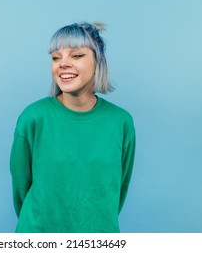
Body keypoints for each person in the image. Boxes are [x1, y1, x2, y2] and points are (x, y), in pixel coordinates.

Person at [10, 22, 136, 233]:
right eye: (56, 57)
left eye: (76, 56)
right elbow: (21, 189)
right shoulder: (33, 117)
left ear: (98, 62)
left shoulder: (120, 122)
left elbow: (118, 191)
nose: (63, 64)